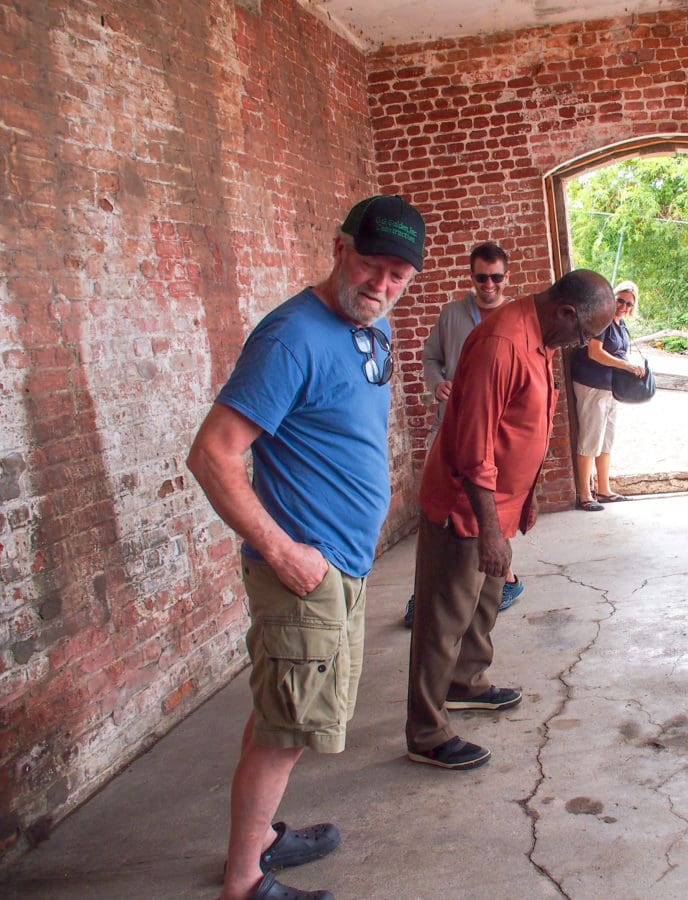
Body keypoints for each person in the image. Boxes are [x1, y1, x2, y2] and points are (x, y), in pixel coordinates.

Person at [188, 195, 425, 900]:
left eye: (398, 275)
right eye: (370, 265)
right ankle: (243, 883)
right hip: (304, 573)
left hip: (343, 565)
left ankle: (259, 841)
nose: (381, 285)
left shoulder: (368, 333)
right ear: (338, 246)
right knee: (287, 730)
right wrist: (284, 551)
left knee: (280, 714)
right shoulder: (291, 337)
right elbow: (212, 456)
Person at [406, 269, 616, 770]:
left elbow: (527, 423)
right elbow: (472, 444)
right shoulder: (503, 342)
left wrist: (528, 494)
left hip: (499, 503)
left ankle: (465, 682)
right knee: (444, 618)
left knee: (484, 600)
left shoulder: (539, 336)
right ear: (566, 312)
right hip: (466, 505)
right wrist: (490, 530)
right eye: (585, 333)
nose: (581, 344)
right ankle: (426, 731)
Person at [401, 243, 523, 628]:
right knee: (440, 506)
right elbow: (430, 358)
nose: (488, 284)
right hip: (452, 423)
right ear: (471, 277)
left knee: (494, 506)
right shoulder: (452, 314)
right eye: (480, 277)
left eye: (496, 277)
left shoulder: (516, 317)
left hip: (498, 431)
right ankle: (428, 591)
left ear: (507, 277)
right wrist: (437, 384)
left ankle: (505, 579)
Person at [570, 279, 645, 511]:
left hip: (610, 388)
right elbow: (595, 353)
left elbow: (619, 354)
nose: (623, 306)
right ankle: (585, 495)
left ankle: (604, 489)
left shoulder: (620, 324)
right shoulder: (602, 321)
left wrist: (631, 366)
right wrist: (626, 367)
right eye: (620, 300)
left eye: (629, 303)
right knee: (590, 439)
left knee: (606, 441)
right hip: (592, 384)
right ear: (612, 298)